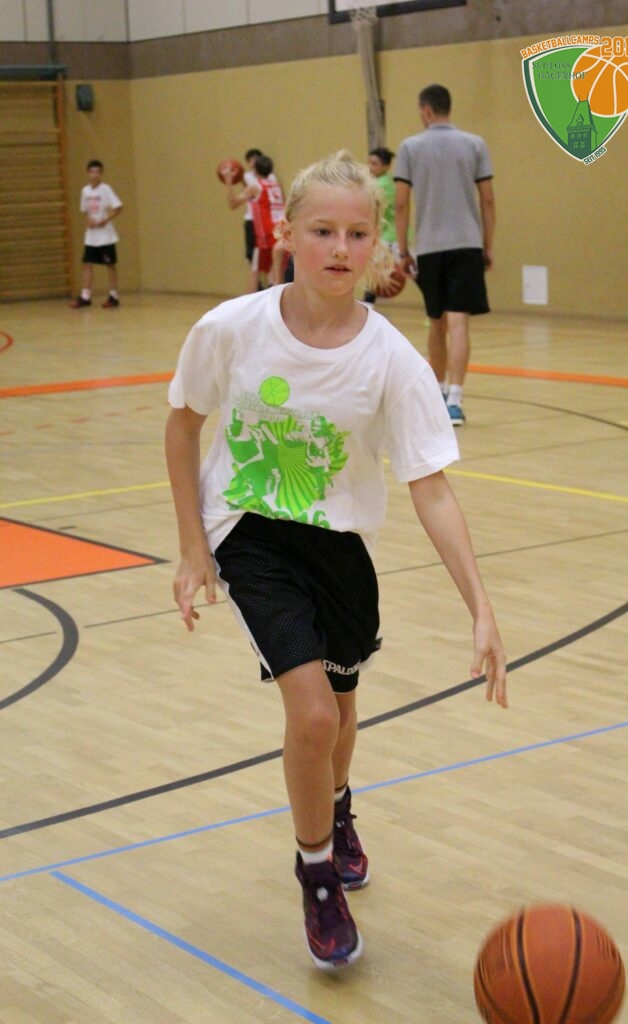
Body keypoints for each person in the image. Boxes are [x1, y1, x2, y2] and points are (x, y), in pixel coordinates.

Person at [165, 151, 507, 972]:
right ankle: (316, 874)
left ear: (376, 243)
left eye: (357, 234)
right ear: (288, 233)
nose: (340, 248)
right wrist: (190, 548)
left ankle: (338, 808)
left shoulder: (392, 359)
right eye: (322, 230)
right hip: (249, 531)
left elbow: (430, 489)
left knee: (343, 718)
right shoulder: (230, 329)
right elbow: (182, 424)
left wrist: (481, 607)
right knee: (314, 716)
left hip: (341, 544)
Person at [394, 84, 495, 425]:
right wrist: (487, 244)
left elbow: (401, 203)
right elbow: (488, 199)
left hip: (430, 247)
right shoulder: (475, 144)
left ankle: (436, 393)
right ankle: (455, 400)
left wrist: (403, 250)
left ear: (425, 110)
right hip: (467, 243)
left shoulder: (410, 147)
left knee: (436, 321)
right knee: (459, 322)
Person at [226, 152, 288, 289]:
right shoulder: (276, 185)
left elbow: (233, 204)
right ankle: (279, 299)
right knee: (276, 274)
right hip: (281, 231)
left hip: (267, 234)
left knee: (255, 272)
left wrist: (229, 182)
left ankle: (252, 301)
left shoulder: (256, 187)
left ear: (255, 170)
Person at [70, 159, 123, 309]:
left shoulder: (106, 189)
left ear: (101, 174)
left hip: (106, 236)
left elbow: (118, 207)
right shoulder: (85, 191)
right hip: (91, 236)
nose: (95, 175)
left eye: (98, 172)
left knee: (109, 264)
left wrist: (105, 220)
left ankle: (113, 295)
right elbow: (86, 210)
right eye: (92, 172)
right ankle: (85, 295)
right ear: (88, 173)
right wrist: (88, 220)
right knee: (87, 263)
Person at [225, 148, 262, 293]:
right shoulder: (268, 179)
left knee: (255, 266)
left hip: (259, 224)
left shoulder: (256, 183)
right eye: (250, 160)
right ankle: (262, 290)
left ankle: (255, 294)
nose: (252, 162)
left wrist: (228, 180)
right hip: (262, 224)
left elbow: (233, 204)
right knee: (258, 262)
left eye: (254, 159)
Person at [363, 146, 397, 304]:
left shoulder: (384, 185)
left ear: (386, 166)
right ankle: (368, 302)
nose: (370, 167)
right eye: (369, 162)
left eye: (374, 163)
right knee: (373, 269)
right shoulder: (378, 182)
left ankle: (368, 303)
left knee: (374, 269)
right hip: (384, 234)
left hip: (389, 236)